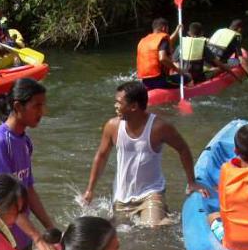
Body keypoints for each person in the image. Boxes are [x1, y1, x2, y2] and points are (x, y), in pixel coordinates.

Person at [83, 81, 207, 226]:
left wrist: (191, 182)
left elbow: (183, 149)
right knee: (121, 232)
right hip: (122, 196)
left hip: (151, 193)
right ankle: (167, 218)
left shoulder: (159, 127)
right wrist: (90, 190)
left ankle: (163, 218)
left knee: (152, 228)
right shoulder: (112, 126)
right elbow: (101, 156)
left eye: (119, 103)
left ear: (134, 106)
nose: (115, 106)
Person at [0, 78, 58, 250]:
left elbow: (28, 189)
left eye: (43, 105)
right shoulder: (0, 142)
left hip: (23, 235)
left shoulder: (25, 141)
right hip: (2, 239)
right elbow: (4, 201)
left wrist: (51, 228)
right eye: (37, 106)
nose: (42, 112)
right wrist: (37, 237)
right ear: (18, 107)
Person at [135, 18, 182, 89]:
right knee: (188, 77)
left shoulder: (144, 40)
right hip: (160, 80)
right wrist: (177, 70)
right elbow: (162, 58)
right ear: (164, 28)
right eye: (167, 29)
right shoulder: (163, 39)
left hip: (145, 81)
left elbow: (168, 42)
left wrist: (177, 31)